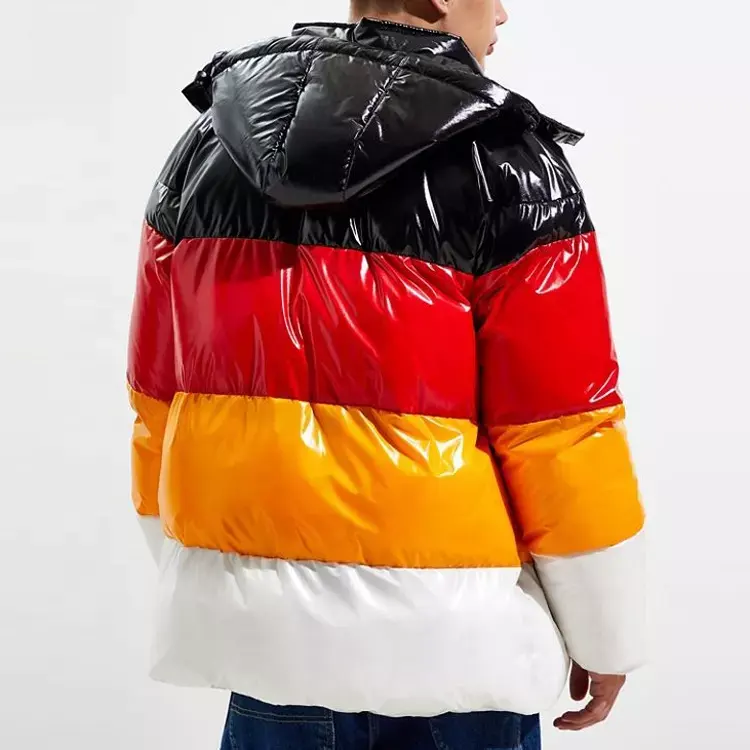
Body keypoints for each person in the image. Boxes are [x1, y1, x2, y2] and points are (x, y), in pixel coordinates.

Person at [127, 1, 646, 747]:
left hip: (269, 655)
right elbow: (561, 428)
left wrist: (224, 581)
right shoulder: (506, 161)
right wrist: (605, 633)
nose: (503, 12)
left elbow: (156, 399)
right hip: (452, 653)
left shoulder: (206, 146)